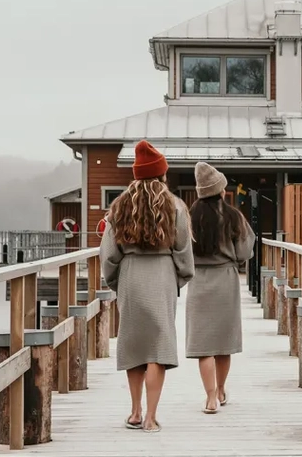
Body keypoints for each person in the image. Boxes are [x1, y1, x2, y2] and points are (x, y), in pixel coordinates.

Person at [100, 140, 194, 433]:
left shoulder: (119, 207)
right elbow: (183, 251)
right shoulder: (175, 206)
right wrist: (178, 279)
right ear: (162, 174)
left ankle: (135, 411)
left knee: (133, 345)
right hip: (162, 275)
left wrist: (117, 282)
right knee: (158, 349)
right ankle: (151, 417)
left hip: (130, 275)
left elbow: (109, 255)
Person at [187, 161, 256, 414]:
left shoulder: (190, 217)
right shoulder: (233, 215)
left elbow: (182, 249)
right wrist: (235, 260)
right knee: (223, 343)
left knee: (204, 344)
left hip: (199, 281)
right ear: (220, 189)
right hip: (226, 280)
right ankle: (221, 389)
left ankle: (209, 398)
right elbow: (246, 248)